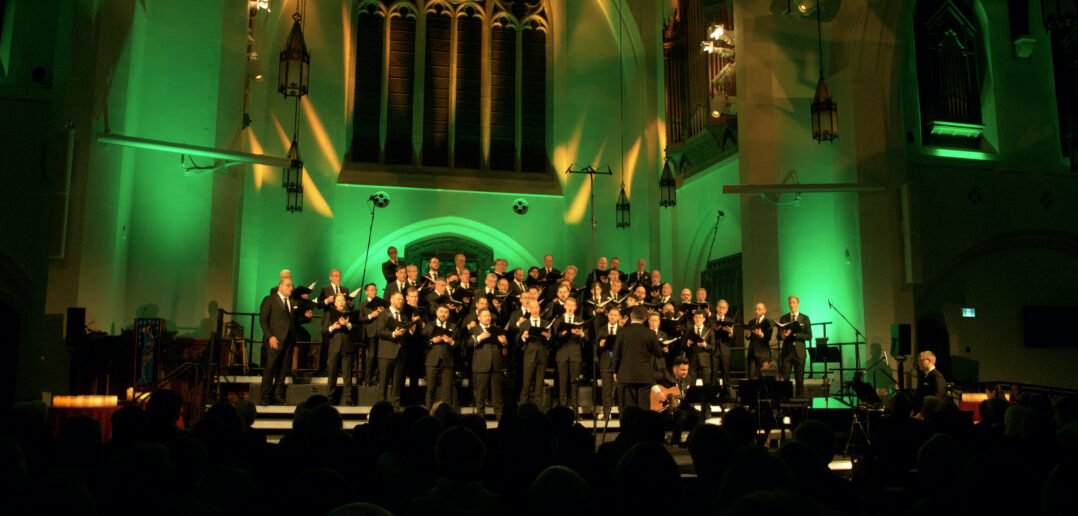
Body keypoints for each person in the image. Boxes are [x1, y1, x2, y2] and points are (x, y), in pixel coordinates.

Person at [259, 279, 311, 404]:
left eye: (291, 286)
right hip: (275, 340)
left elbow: (294, 320)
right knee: (270, 368)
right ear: (280, 287)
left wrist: (306, 317)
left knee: (283, 370)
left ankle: (278, 397)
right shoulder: (270, 299)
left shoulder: (291, 302)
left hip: (289, 340)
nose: (291, 288)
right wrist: (270, 336)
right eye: (288, 286)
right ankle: (265, 397)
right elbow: (263, 320)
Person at [613, 306, 665, 411]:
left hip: (626, 375)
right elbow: (659, 353)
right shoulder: (650, 333)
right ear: (645, 318)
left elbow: (616, 354)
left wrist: (615, 371)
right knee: (643, 410)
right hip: (644, 377)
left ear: (631, 316)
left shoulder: (622, 332)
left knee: (629, 409)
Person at [653, 356, 700, 446]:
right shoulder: (664, 374)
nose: (685, 372)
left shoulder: (688, 378)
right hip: (664, 407)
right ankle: (675, 441)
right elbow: (649, 378)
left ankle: (689, 442)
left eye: (687, 370)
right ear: (675, 368)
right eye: (682, 370)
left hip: (680, 405)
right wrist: (658, 392)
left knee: (698, 415)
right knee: (682, 413)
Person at [376, 292, 413, 407]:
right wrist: (393, 334)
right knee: (383, 383)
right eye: (398, 299)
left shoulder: (404, 316)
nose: (401, 301)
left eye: (402, 299)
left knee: (397, 384)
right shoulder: (383, 314)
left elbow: (406, 334)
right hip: (386, 353)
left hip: (400, 353)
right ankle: (381, 407)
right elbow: (379, 332)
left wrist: (411, 330)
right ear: (391, 300)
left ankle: (395, 408)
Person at [471, 308, 507, 417]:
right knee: (480, 392)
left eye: (489, 316)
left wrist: (504, 342)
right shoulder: (474, 330)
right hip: (481, 365)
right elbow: (467, 344)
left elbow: (506, 343)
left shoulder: (496, 329)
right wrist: (479, 338)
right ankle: (480, 415)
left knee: (497, 392)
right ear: (479, 318)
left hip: (496, 365)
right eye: (485, 316)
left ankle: (499, 415)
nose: (488, 318)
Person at [323, 293, 356, 405]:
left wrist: (347, 324)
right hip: (334, 347)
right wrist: (333, 327)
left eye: (343, 300)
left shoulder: (350, 314)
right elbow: (323, 331)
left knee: (347, 375)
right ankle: (329, 398)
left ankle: (348, 398)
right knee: (332, 373)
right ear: (335, 303)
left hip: (347, 347)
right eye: (339, 301)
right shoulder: (329, 314)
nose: (342, 302)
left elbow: (356, 328)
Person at [554, 297, 586, 411]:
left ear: (576, 307)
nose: (570, 307)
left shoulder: (579, 320)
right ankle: (562, 409)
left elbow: (586, 338)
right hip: (562, 353)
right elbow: (554, 337)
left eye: (573, 305)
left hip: (575, 354)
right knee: (562, 383)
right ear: (565, 306)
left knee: (574, 382)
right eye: (569, 305)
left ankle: (575, 409)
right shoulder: (558, 320)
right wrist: (562, 333)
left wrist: (582, 334)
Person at [778, 296, 812, 397]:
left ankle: (800, 403)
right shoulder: (784, 318)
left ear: (798, 304)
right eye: (789, 303)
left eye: (793, 303)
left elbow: (809, 336)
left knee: (799, 378)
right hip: (787, 352)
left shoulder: (805, 318)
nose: (791, 305)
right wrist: (784, 335)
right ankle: (785, 402)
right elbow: (778, 336)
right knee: (785, 378)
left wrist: (796, 335)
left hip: (799, 352)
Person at [518, 300, 552, 405]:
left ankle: (538, 410)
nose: (535, 310)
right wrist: (523, 337)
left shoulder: (546, 324)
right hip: (529, 355)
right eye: (532, 308)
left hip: (542, 355)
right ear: (529, 309)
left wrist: (548, 337)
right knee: (526, 383)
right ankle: (523, 408)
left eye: (536, 307)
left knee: (539, 384)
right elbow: (518, 342)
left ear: (539, 309)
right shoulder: (524, 324)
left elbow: (551, 342)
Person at [423, 305, 457, 408]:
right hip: (432, 361)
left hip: (447, 361)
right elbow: (421, 341)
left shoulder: (453, 326)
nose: (443, 314)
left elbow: (459, 344)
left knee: (447, 391)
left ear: (449, 314)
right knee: (430, 389)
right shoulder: (429, 325)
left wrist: (451, 342)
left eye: (446, 312)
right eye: (441, 312)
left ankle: (446, 415)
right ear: (437, 313)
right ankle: (428, 413)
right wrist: (431, 341)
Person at [595, 306, 622, 419]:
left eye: (615, 315)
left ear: (619, 317)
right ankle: (606, 412)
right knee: (606, 388)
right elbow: (595, 346)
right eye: (611, 314)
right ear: (607, 315)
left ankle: (622, 412)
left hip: (619, 363)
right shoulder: (601, 329)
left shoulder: (622, 330)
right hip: (605, 361)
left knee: (619, 388)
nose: (612, 317)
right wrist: (600, 344)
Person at [712, 299, 735, 395]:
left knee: (726, 373)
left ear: (727, 310)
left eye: (724, 308)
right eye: (720, 307)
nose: (721, 309)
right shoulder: (711, 319)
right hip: (714, 350)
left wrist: (730, 332)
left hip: (725, 350)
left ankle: (726, 395)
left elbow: (733, 339)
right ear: (716, 308)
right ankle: (712, 394)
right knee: (713, 373)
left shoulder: (730, 321)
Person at [745, 302, 773, 379]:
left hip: (763, 354)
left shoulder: (768, 322)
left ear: (764, 311)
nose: (756, 311)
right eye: (755, 309)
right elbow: (748, 338)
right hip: (752, 352)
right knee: (751, 376)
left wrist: (761, 334)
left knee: (762, 377)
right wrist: (748, 334)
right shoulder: (752, 322)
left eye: (759, 309)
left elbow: (768, 338)